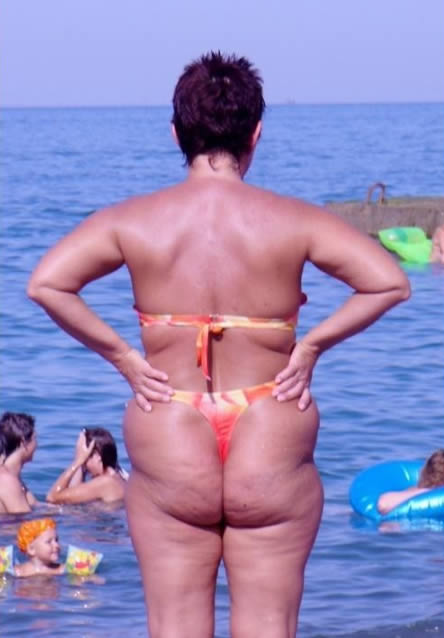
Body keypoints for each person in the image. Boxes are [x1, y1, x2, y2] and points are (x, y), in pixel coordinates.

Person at [27, 52, 410, 638]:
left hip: (170, 421)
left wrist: (125, 357)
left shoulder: (132, 220)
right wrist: (310, 347)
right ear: (255, 134)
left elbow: (46, 284)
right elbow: (389, 283)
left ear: (176, 133)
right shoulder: (294, 219)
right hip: (270, 421)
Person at [46, 428, 126, 505]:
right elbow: (73, 496)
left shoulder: (106, 482)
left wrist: (78, 461)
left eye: (86, 459)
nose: (84, 465)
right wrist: (81, 465)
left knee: (49, 507)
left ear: (97, 456)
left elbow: (52, 498)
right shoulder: (118, 476)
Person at [377, 449, 444, 515]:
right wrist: (428, 492)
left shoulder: (413, 491)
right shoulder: (419, 492)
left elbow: (383, 504)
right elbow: (383, 505)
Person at [0, 412, 38, 514]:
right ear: (23, 442)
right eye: (35, 439)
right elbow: (25, 518)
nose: (37, 445)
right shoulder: (6, 479)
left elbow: (35, 505)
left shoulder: (12, 475)